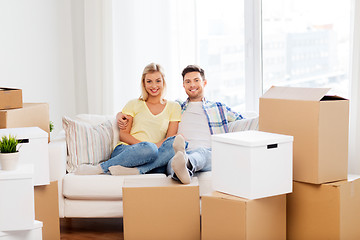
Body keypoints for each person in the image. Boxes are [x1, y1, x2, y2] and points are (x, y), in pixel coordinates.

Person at [118, 64, 244, 183]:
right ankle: (182, 171)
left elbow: (244, 123)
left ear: (204, 83)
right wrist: (119, 115)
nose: (192, 84)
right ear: (183, 85)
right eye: (188, 81)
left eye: (196, 80)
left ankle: (187, 164)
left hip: (210, 153)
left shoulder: (219, 107)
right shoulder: (176, 107)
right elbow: (154, 107)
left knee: (201, 153)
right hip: (180, 153)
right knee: (172, 162)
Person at [75, 63, 181, 175]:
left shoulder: (174, 107)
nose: (154, 85)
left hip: (155, 153)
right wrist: (146, 147)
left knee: (176, 144)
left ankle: (136, 170)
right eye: (149, 81)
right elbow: (124, 135)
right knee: (151, 152)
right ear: (144, 84)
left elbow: (170, 139)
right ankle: (100, 168)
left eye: (158, 81)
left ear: (163, 82)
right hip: (127, 151)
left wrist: (153, 149)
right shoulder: (133, 104)